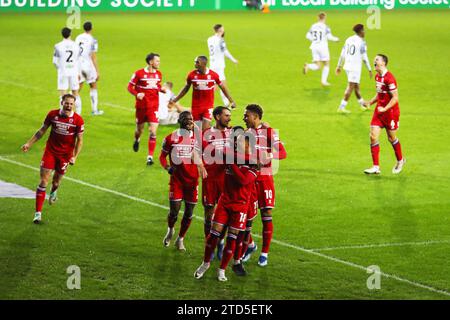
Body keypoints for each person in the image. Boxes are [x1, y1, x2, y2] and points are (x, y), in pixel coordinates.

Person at [194, 127, 258, 281]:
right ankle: (205, 263)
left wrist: (232, 164)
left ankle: (222, 270)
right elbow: (216, 152)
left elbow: (243, 181)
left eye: (242, 142)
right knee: (213, 235)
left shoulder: (255, 165)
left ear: (249, 145)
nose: (238, 144)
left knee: (232, 239)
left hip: (241, 206)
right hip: (224, 202)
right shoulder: (234, 156)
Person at [21, 94, 84, 224]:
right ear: (62, 102)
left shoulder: (78, 120)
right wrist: (29, 143)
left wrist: (74, 157)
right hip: (50, 152)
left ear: (74, 105)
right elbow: (42, 131)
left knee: (56, 182)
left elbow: (80, 141)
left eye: (71, 104)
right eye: (66, 103)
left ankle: (54, 191)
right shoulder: (52, 115)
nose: (68, 106)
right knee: (44, 181)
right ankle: (38, 213)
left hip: (65, 156)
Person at [241, 104, 287, 267]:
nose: (244, 118)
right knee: (246, 216)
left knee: (266, 214)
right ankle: (250, 245)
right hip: (250, 180)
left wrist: (268, 155)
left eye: (246, 115)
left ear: (254, 116)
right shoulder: (245, 134)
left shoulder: (269, 132)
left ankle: (264, 254)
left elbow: (282, 153)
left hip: (265, 179)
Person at [159, 111, 207, 251]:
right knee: (174, 211)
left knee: (189, 212)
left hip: (192, 182)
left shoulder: (198, 139)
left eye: (191, 119)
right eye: (186, 119)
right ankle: (170, 230)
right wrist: (167, 167)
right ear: (179, 121)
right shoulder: (170, 138)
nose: (190, 121)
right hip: (177, 181)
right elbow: (162, 157)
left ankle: (180, 239)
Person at [363, 54, 405, 175]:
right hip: (379, 111)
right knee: (373, 136)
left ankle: (400, 160)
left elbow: (395, 98)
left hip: (391, 113)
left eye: (377, 60)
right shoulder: (377, 77)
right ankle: (376, 167)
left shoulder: (390, 78)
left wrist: (385, 108)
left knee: (391, 138)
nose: (374, 61)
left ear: (383, 63)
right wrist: (371, 102)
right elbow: (380, 94)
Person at [171, 56, 236, 131]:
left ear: (203, 64)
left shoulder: (213, 75)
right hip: (196, 107)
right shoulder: (192, 75)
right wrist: (175, 100)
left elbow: (223, 88)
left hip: (207, 107)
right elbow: (185, 88)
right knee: (196, 131)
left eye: (197, 62)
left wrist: (231, 100)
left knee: (205, 130)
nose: (195, 64)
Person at [201, 106, 232, 259]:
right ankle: (209, 245)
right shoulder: (206, 134)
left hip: (226, 181)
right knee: (208, 215)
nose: (229, 118)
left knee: (224, 215)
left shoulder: (233, 134)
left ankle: (220, 243)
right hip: (210, 180)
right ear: (217, 116)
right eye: (226, 115)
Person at [128, 53, 164, 166]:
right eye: (157, 61)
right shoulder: (139, 73)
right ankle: (137, 139)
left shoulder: (159, 74)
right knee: (140, 130)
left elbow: (157, 86)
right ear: (150, 62)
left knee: (153, 132)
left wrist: (161, 89)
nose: (159, 63)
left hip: (154, 107)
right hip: (141, 107)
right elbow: (129, 87)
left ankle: (150, 157)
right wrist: (137, 94)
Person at [336, 24, 372, 113]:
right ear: (360, 32)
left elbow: (342, 53)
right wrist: (369, 69)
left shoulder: (348, 39)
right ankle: (341, 107)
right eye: (363, 30)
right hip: (354, 67)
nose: (365, 32)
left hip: (347, 66)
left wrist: (339, 65)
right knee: (351, 87)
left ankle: (362, 104)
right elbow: (364, 58)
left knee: (356, 86)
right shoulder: (362, 42)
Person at [303, 12, 339, 86]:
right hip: (322, 47)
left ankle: (308, 66)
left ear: (318, 18)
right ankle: (324, 82)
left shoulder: (313, 26)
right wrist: (336, 39)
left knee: (318, 66)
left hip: (314, 47)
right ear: (324, 18)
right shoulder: (326, 27)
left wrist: (313, 40)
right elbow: (329, 37)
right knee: (326, 64)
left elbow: (307, 35)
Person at [75, 21, 103, 116]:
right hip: (88, 65)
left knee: (77, 89)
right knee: (93, 86)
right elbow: (93, 56)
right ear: (91, 28)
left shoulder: (78, 37)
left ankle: (71, 109)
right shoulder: (92, 39)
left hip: (79, 65)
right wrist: (97, 71)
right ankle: (94, 110)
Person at [207, 24, 239, 106]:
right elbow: (225, 52)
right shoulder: (220, 40)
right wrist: (233, 60)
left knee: (216, 83)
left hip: (212, 64)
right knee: (221, 84)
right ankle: (226, 102)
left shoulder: (209, 39)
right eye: (223, 29)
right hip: (219, 65)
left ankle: (225, 102)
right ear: (220, 30)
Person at [53, 27, 82, 114]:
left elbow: (55, 62)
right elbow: (78, 60)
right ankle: (78, 115)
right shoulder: (76, 45)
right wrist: (78, 72)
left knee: (63, 95)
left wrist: (61, 68)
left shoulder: (58, 46)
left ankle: (63, 115)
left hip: (63, 72)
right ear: (70, 34)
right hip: (73, 71)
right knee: (75, 93)